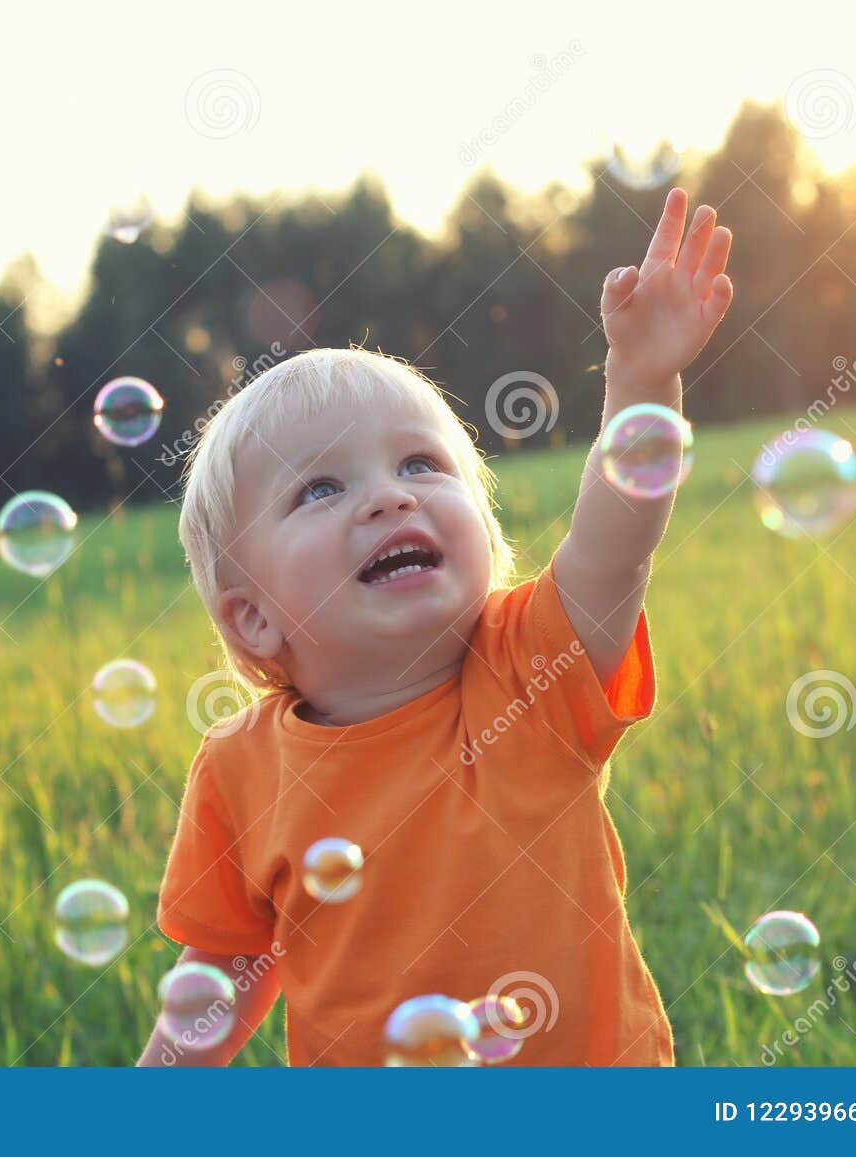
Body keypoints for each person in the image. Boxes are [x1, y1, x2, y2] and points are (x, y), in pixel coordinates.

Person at [140, 187, 733, 1065]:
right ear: (255, 618)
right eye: (320, 488)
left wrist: (643, 377)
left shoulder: (529, 671)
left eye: (421, 462)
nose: (390, 494)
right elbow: (225, 964)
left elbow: (616, 544)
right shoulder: (239, 769)